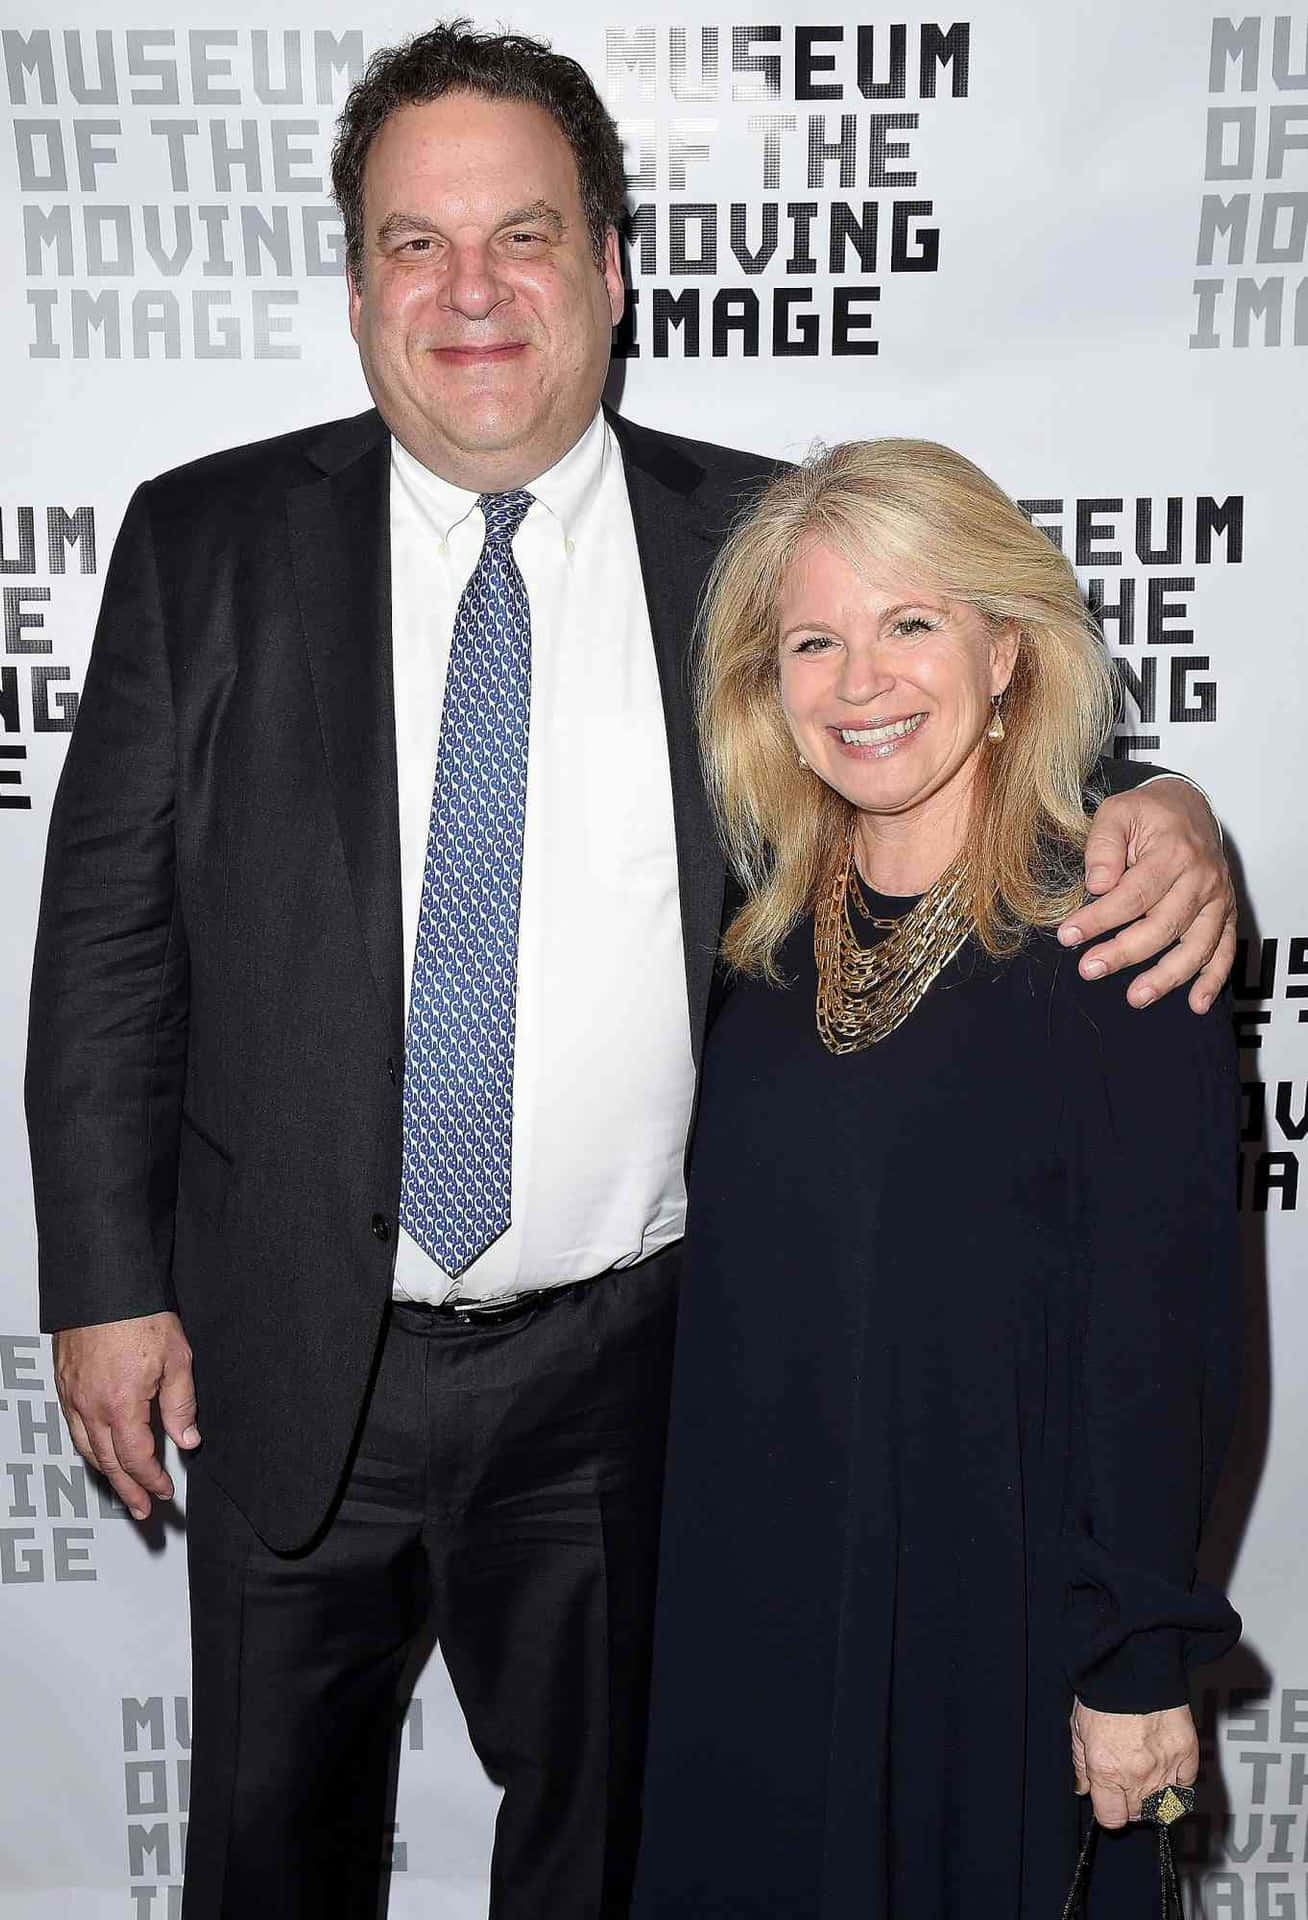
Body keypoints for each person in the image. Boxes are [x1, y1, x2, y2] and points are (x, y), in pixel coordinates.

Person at [24, 23, 1233, 1920]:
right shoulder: (206, 542)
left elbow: (944, 702)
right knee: (270, 1864)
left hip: (628, 1378)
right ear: (355, 290)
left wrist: (1164, 808)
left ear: (608, 264)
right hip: (281, 1359)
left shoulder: (751, 547)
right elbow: (104, 937)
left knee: (603, 1873)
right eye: (416, 244)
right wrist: (100, 1280)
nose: (473, 290)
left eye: (524, 233)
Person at [631, 439, 1241, 1920]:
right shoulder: (746, 947)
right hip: (754, 1630)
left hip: (999, 1637)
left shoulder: (1113, 934)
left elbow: (1161, 1334)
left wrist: (1134, 1663)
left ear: (1008, 652)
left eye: (911, 623)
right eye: (813, 641)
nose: (860, 682)